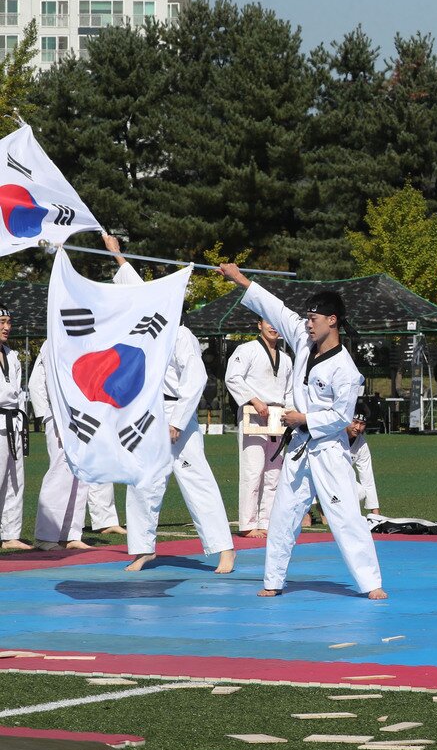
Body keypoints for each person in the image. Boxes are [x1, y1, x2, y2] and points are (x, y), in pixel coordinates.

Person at [217, 263, 387, 600]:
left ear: (332, 320)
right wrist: (239, 280)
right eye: (307, 318)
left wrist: (303, 419)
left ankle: (371, 583)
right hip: (299, 449)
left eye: (314, 319)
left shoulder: (345, 369)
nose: (307, 324)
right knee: (283, 516)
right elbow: (275, 309)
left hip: (329, 450)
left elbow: (341, 417)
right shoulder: (302, 340)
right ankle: (273, 580)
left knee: (345, 517)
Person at [107, 238, 236, 574]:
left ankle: (224, 548)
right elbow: (138, 290)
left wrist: (178, 420)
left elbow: (196, 379)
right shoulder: (149, 330)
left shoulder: (181, 335)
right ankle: (143, 549)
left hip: (176, 412)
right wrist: (117, 255)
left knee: (196, 478)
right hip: (147, 414)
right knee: (142, 480)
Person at [225, 317, 293, 539]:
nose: (273, 327)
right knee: (252, 470)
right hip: (253, 414)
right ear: (259, 325)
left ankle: (267, 521)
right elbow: (232, 378)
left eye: (276, 323)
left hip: (277, 417)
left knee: (274, 473)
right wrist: (254, 400)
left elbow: (290, 391)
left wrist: (290, 413)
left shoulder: (286, 359)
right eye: (268, 322)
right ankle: (248, 524)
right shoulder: (247, 350)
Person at [31, 345, 92, 551]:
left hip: (83, 414)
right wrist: (53, 416)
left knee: (81, 474)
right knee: (60, 470)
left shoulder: (84, 339)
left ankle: (70, 534)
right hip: (61, 413)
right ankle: (46, 535)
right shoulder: (55, 340)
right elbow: (49, 381)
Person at [0, 306, 26, 550]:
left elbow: (18, 394)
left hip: (14, 422)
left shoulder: (12, 355)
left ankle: (10, 535)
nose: (7, 327)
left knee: (15, 480)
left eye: (9, 322)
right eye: (2, 322)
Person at [347, 401, 380, 514]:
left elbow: (367, 477)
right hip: (318, 477)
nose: (358, 427)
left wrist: (375, 512)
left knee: (360, 492)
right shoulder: (333, 436)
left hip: (339, 480)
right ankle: (308, 512)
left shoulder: (362, 444)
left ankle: (327, 509)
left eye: (362, 424)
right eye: (355, 422)